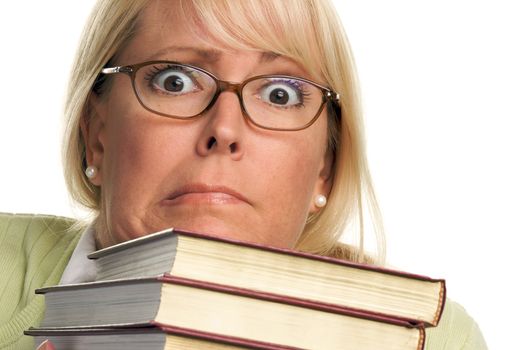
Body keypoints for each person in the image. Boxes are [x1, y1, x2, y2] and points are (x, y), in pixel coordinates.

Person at [0, 0, 486, 349]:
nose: (225, 129)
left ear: (326, 168)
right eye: (176, 80)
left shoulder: (426, 338)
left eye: (280, 93)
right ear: (97, 134)